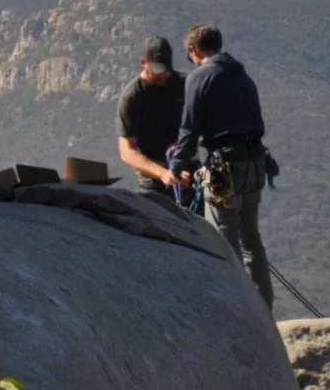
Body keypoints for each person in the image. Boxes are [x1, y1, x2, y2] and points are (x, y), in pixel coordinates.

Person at [173, 23, 274, 309]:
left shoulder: (200, 77)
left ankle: (233, 308)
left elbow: (189, 128)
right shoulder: (242, 75)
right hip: (255, 162)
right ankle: (263, 308)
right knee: (250, 238)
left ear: (193, 50)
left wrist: (176, 165)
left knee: (223, 239)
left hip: (225, 167)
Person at [115, 36, 193, 200]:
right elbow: (127, 151)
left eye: (166, 70)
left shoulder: (184, 84)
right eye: (157, 71)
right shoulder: (132, 97)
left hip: (188, 171)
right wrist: (164, 173)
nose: (163, 76)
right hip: (153, 178)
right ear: (143, 63)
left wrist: (183, 146)